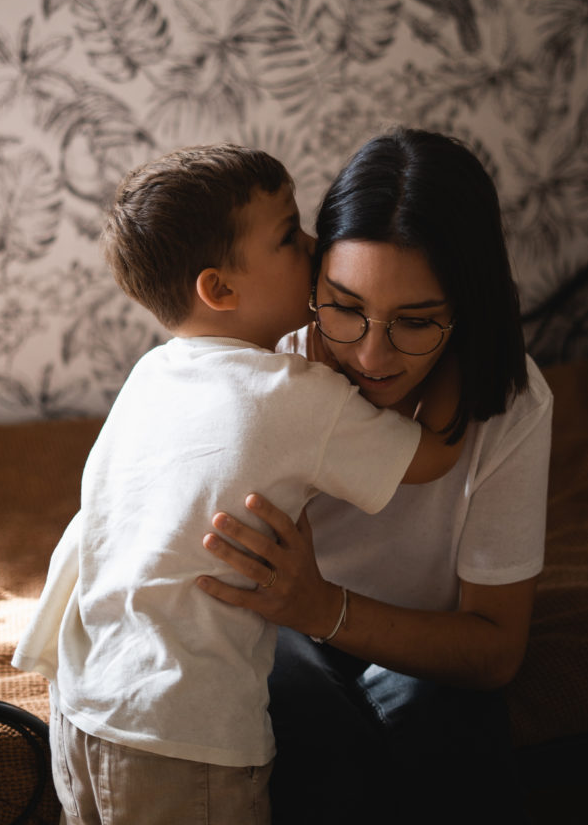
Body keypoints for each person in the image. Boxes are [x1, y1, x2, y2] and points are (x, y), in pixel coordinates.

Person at [12, 143, 462, 825]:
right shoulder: (291, 394)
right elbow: (434, 458)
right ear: (219, 289)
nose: (316, 246)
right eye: (290, 235)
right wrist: (457, 333)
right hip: (183, 731)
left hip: (82, 703)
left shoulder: (153, 375)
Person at [195, 128, 553, 824]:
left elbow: (494, 650)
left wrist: (323, 607)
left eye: (415, 321)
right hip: (277, 631)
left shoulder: (509, 402)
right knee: (293, 724)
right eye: (344, 306)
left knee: (448, 725)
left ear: (465, 308)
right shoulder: (268, 374)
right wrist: (302, 616)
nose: (370, 354)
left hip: (398, 634)